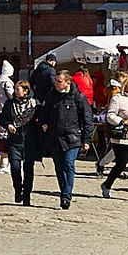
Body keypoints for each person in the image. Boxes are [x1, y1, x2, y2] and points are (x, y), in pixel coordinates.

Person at [37, 62, 95, 210]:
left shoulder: (78, 98)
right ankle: (63, 190)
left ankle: (66, 196)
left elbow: (87, 119)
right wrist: (44, 123)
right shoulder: (51, 95)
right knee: (59, 167)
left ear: (67, 83)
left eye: (59, 81)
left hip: (72, 138)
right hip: (55, 137)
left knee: (69, 165)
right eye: (56, 80)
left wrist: (87, 139)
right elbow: (43, 112)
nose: (56, 83)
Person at [2, 74, 42, 205]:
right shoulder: (10, 104)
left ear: (26, 91)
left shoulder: (35, 104)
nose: (15, 91)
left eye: (18, 89)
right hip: (14, 140)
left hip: (30, 140)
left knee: (29, 169)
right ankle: (18, 189)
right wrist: (8, 125)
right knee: (15, 166)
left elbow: (42, 117)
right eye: (15, 89)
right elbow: (2, 118)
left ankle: (27, 195)